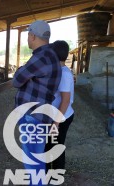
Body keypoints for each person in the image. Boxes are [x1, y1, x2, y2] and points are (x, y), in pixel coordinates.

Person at [12, 20, 61, 185]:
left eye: (28, 35)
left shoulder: (41, 57)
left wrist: (22, 70)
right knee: (37, 161)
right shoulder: (52, 55)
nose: (27, 38)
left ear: (32, 36)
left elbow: (17, 80)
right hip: (41, 115)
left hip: (32, 116)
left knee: (32, 163)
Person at [45, 40, 74, 171]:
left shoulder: (65, 74)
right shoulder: (59, 70)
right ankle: (49, 172)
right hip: (57, 116)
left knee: (56, 146)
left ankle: (56, 176)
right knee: (50, 145)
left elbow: (66, 100)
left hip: (61, 117)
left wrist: (56, 124)